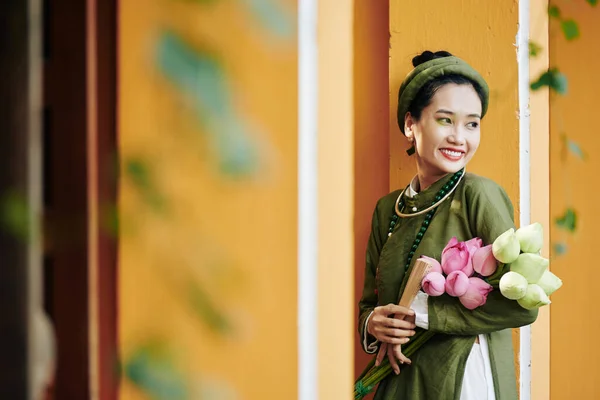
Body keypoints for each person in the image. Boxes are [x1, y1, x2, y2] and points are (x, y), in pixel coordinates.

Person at [358, 50, 538, 400]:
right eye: (445, 120)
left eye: (472, 123)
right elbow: (370, 301)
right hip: (400, 382)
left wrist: (422, 314)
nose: (460, 137)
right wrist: (374, 324)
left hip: (462, 379)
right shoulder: (388, 209)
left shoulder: (479, 195)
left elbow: (521, 302)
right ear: (411, 124)